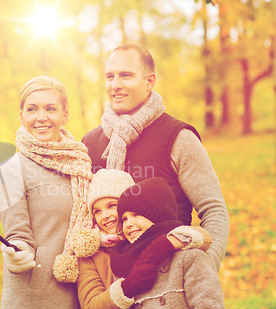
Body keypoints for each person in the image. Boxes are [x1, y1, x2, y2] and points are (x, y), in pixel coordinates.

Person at [82, 44, 229, 272]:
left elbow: (214, 210)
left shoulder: (178, 137)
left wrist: (202, 273)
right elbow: (79, 218)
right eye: (110, 76)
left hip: (166, 283)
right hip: (107, 286)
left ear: (149, 81)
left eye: (126, 75)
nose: (115, 85)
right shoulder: (89, 143)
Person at [0, 76, 98, 309]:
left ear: (65, 114)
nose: (41, 117)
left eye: (50, 108)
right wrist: (16, 253)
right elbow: (17, 233)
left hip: (86, 298)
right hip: (37, 308)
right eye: (32, 109)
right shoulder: (11, 169)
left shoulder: (82, 163)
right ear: (21, 116)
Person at [76, 169, 211, 309]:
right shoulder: (90, 253)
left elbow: (200, 237)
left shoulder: (145, 238)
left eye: (111, 206)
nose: (104, 216)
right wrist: (128, 286)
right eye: (97, 211)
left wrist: (163, 245)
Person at [108, 177, 226, 309]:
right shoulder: (121, 267)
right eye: (124, 218)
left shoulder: (188, 258)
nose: (128, 223)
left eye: (136, 214)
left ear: (156, 213)